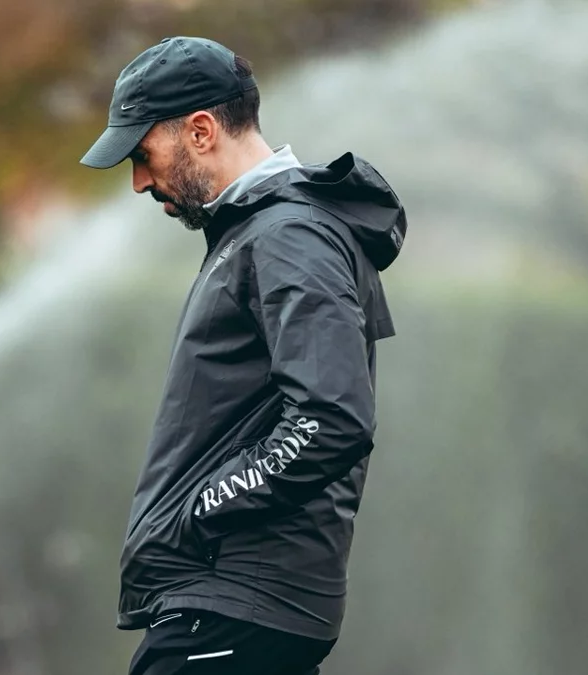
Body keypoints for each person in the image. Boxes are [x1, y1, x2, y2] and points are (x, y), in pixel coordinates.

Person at [79, 36, 406, 675]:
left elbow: (331, 420)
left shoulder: (289, 236)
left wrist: (199, 512)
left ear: (201, 131)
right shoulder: (261, 232)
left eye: (143, 154)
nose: (140, 181)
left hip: (232, 605)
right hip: (240, 609)